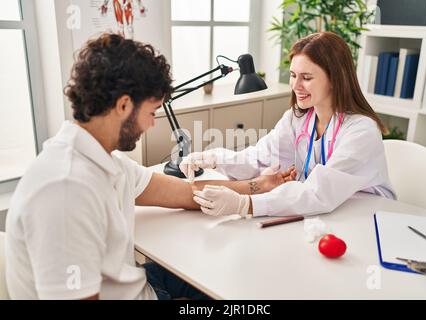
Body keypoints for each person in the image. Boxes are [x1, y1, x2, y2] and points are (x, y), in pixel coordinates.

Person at [5, 33, 291, 300]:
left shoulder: (104, 161)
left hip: (139, 284)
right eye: (152, 112)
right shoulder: (65, 190)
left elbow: (185, 193)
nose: (154, 123)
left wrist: (257, 187)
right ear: (124, 105)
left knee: (236, 280)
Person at [181, 32, 396, 218]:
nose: (296, 85)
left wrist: (246, 205)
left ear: (335, 78)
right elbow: (260, 157)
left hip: (365, 219)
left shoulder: (361, 131)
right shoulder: (298, 118)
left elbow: (319, 192)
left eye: (307, 77)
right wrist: (213, 158)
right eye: (293, 75)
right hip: (324, 216)